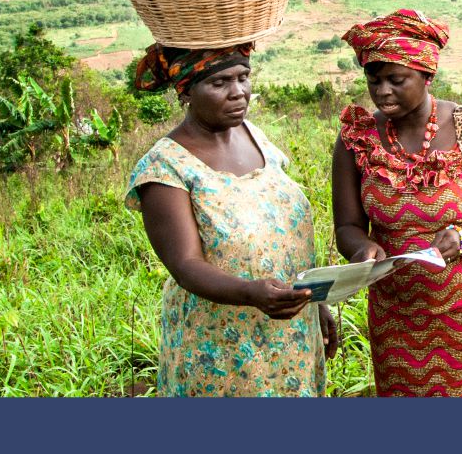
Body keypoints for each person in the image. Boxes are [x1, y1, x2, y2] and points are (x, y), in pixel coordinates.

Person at [125, 42, 338, 397]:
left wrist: (316, 303)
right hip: (219, 346)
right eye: (220, 82)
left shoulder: (255, 137)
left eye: (243, 77)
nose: (239, 92)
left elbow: (284, 236)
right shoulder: (165, 167)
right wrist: (251, 293)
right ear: (187, 91)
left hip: (289, 334)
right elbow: (185, 264)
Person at [332, 9, 462, 397]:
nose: (382, 91)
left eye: (396, 80)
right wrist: (362, 248)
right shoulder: (358, 138)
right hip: (395, 313)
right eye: (374, 80)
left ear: (426, 74)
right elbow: (347, 225)